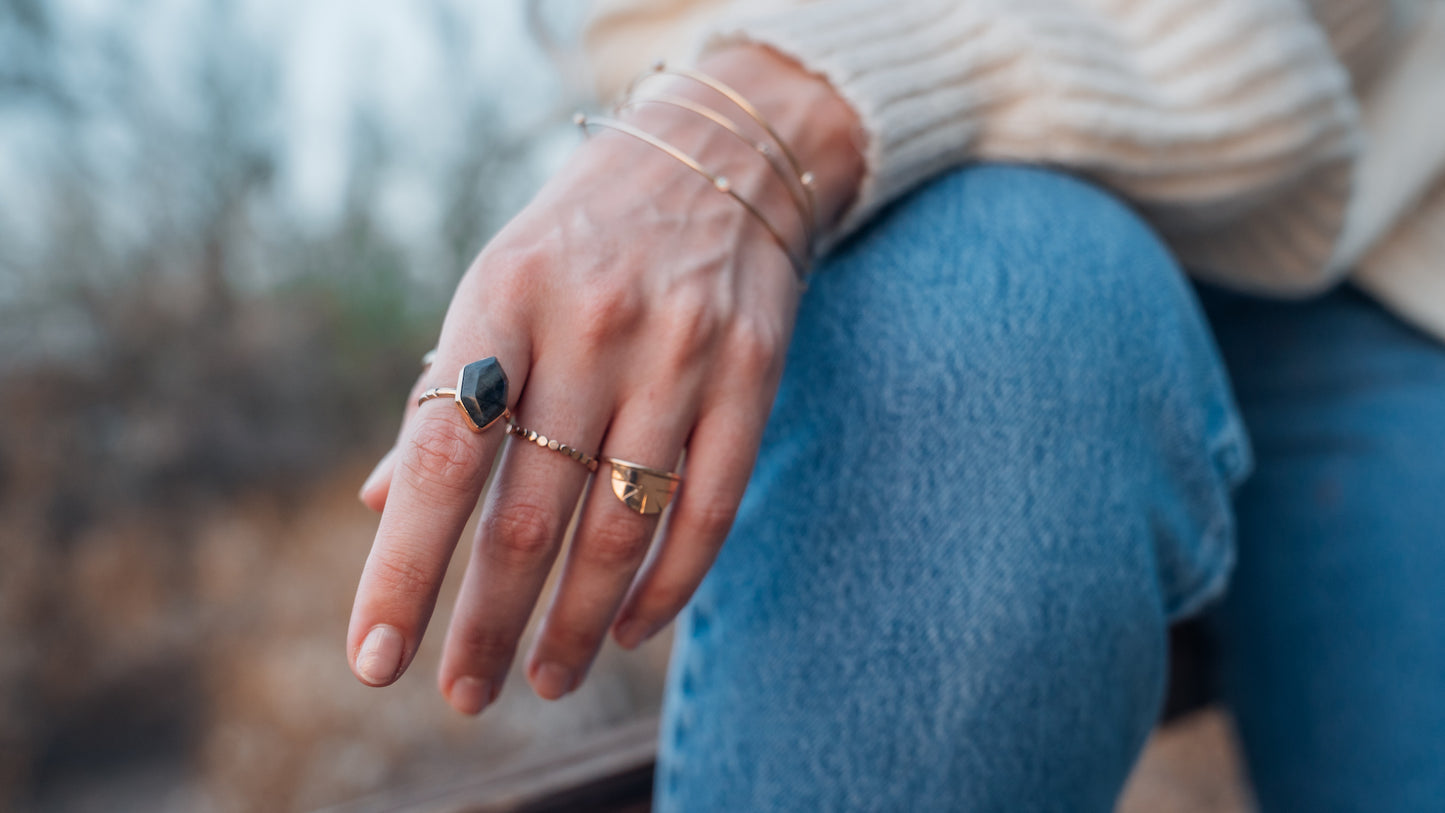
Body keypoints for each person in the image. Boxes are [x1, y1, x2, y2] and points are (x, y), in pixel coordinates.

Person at [348, 0, 1445, 808]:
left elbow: (1268, 67)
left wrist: (788, 103)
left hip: (1379, 240)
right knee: (994, 338)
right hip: (920, 227)